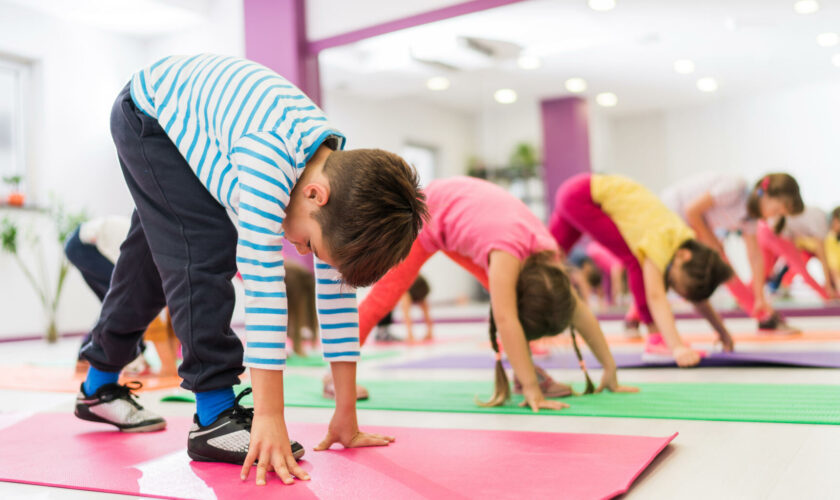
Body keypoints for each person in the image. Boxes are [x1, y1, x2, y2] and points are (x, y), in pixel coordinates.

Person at [74, 54, 426, 486]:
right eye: (310, 244)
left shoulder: (337, 186)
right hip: (149, 115)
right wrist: (270, 417)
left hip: (181, 120)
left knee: (150, 263)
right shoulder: (270, 161)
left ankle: (98, 386)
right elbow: (264, 289)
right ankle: (215, 414)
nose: (299, 248)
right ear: (315, 195)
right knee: (203, 248)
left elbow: (337, 296)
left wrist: (346, 414)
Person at [349, 177, 635, 410]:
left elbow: (577, 308)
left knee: (504, 295)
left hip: (466, 206)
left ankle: (525, 374)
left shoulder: (548, 256)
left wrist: (609, 367)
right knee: (385, 296)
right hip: (426, 213)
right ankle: (335, 374)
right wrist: (534, 392)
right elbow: (506, 317)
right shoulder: (506, 254)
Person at [549, 173, 734, 366]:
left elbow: (696, 294)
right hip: (584, 196)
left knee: (545, 259)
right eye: (678, 286)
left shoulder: (682, 241)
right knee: (635, 260)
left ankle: (527, 338)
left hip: (575, 190)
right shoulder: (662, 239)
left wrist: (722, 332)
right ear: (684, 256)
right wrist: (676, 346)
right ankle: (655, 339)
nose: (676, 289)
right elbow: (655, 295)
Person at [661, 172, 805, 331]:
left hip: (689, 224)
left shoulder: (750, 218)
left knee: (723, 269)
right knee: (670, 273)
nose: (774, 216)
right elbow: (691, 210)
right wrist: (712, 242)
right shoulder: (735, 187)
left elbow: (755, 257)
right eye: (777, 210)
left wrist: (760, 297)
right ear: (765, 195)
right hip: (670, 213)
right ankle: (763, 316)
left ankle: (761, 314)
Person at [64, 216, 179, 377]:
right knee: (125, 302)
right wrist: (169, 367)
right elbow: (155, 313)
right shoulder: (155, 255)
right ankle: (118, 358)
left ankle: (87, 356)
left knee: (115, 304)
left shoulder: (161, 252)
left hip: (87, 244)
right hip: (85, 244)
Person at [758, 205, 837, 302]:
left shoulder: (819, 213)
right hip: (777, 233)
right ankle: (827, 295)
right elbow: (822, 255)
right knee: (801, 270)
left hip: (764, 230)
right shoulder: (822, 223)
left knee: (762, 271)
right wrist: (828, 288)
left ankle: (745, 296)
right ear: (837, 220)